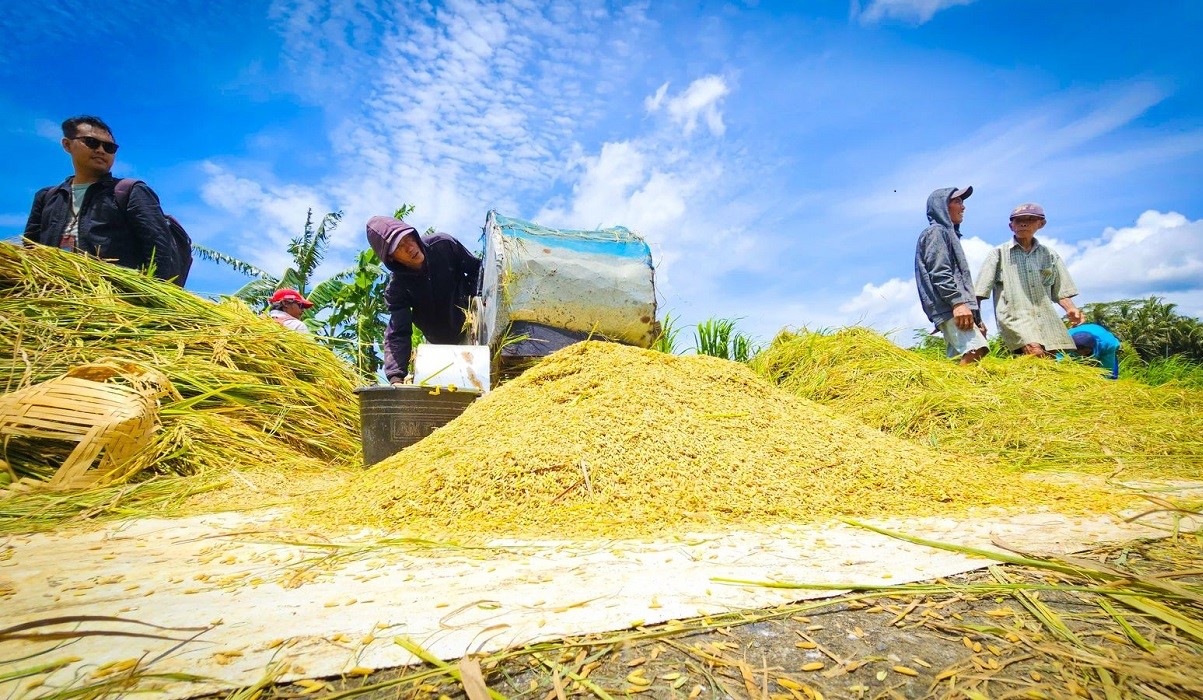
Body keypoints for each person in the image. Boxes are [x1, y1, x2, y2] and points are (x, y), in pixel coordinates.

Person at [23, 115, 182, 281]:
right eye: (91, 143)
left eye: (109, 147)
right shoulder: (46, 197)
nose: (100, 150)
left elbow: (160, 250)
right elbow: (30, 250)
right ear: (67, 144)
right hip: (55, 292)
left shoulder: (131, 191)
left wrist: (151, 298)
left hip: (112, 297)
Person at [366, 216, 482, 385]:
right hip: (439, 346)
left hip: (475, 327)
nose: (409, 247)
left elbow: (477, 270)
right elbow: (398, 332)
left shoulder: (443, 245)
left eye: (408, 239)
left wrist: (476, 305)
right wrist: (396, 377)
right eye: (400, 246)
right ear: (391, 258)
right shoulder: (397, 289)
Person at [974, 203, 1084, 358]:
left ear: (1041, 224)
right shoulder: (998, 254)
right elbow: (979, 291)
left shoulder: (1049, 254)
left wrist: (1071, 309)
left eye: (1030, 219)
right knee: (1035, 351)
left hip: (1046, 317)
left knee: (1049, 358)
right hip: (1016, 317)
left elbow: (1061, 291)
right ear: (1011, 226)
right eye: (1018, 221)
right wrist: (977, 321)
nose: (1023, 223)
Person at [915, 186, 989, 365]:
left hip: (956, 306)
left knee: (957, 360)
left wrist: (975, 315)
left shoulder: (949, 235)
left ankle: (952, 389)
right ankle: (952, 393)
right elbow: (940, 272)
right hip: (949, 306)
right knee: (977, 350)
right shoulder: (936, 232)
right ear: (941, 206)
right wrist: (957, 303)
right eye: (957, 202)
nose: (963, 207)